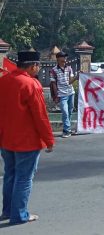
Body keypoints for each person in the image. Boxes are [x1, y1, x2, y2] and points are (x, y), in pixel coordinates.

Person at [0, 51, 55, 224]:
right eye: (37, 65)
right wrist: (49, 140)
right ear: (33, 66)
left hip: (5, 138)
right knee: (23, 178)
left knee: (10, 175)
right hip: (27, 140)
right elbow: (40, 116)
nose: (38, 68)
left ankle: (8, 212)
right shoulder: (31, 84)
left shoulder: (3, 80)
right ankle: (19, 215)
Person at [49, 51, 78, 138]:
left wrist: (76, 76)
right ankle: (67, 130)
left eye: (65, 57)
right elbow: (53, 84)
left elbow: (70, 81)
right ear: (58, 59)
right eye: (63, 57)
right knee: (65, 112)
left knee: (69, 111)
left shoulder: (69, 68)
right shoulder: (53, 70)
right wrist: (56, 95)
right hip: (62, 94)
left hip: (71, 92)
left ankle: (66, 129)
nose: (65, 59)